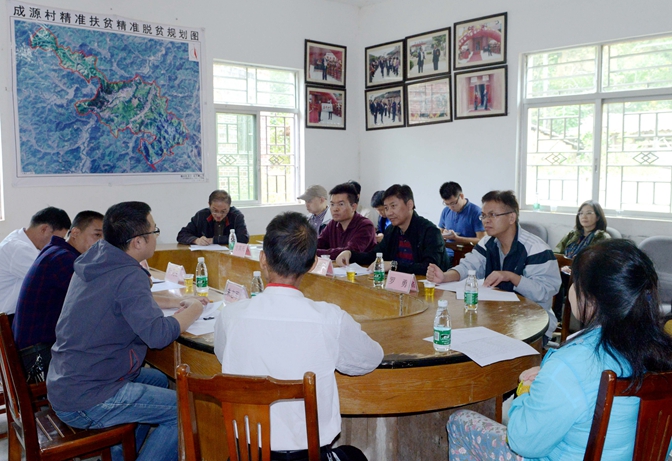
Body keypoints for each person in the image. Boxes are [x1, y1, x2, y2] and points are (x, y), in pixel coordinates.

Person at [446, 239, 672, 460]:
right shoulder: (661, 350)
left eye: (575, 282)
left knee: (460, 422)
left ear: (591, 299)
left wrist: (526, 391)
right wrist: (549, 382)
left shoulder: (571, 364)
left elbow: (523, 442)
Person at [214, 212, 383, 460]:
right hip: (308, 456)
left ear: (262, 259)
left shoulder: (230, 315)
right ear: (313, 264)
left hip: (246, 455)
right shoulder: (330, 318)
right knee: (354, 455)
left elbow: (222, 355)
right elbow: (371, 358)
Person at [47, 202, 204, 461]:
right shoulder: (129, 275)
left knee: (159, 379)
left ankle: (124, 455)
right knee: (185, 409)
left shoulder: (98, 259)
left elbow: (127, 301)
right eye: (154, 231)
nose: (157, 236)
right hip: (89, 397)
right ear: (138, 242)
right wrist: (195, 308)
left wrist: (175, 302)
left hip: (69, 380)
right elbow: (158, 335)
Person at [426, 190, 561, 343]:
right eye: (483, 215)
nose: (486, 221)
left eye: (492, 215)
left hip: (533, 323)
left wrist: (511, 277)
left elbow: (544, 291)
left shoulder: (535, 248)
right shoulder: (488, 242)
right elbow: (469, 265)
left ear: (511, 217)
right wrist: (444, 276)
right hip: (498, 316)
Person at [13, 210, 104, 377]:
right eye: (97, 235)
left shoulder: (56, 251)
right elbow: (101, 296)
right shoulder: (63, 260)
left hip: (36, 350)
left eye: (104, 238)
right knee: (111, 362)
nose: (101, 243)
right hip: (38, 358)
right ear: (75, 232)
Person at [336, 184, 450, 275]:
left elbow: (429, 268)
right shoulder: (392, 230)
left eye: (393, 206)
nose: (389, 213)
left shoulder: (430, 231)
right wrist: (350, 254)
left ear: (409, 205)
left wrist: (393, 265)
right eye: (386, 208)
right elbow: (374, 256)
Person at [0, 206, 71, 316]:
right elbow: (53, 279)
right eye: (58, 238)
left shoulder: (20, 238)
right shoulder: (18, 249)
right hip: (7, 319)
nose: (57, 244)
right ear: (44, 229)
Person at [317, 183, 376, 259]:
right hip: (337, 266)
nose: (335, 209)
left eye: (341, 204)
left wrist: (314, 253)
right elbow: (318, 243)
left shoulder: (366, 225)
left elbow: (349, 252)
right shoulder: (333, 224)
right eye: (332, 204)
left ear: (353, 207)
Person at [177, 190, 249, 246]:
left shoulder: (236, 216)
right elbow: (182, 234)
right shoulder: (201, 215)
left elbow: (243, 238)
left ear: (229, 207)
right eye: (215, 211)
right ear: (209, 205)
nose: (218, 215)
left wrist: (213, 240)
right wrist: (196, 240)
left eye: (223, 211)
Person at [438, 182, 486, 262]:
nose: (451, 207)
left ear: (461, 196)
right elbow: (440, 232)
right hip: (445, 254)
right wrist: (444, 235)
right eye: (447, 204)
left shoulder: (476, 212)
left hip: (465, 256)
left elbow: (482, 240)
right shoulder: (446, 211)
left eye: (453, 203)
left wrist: (458, 239)